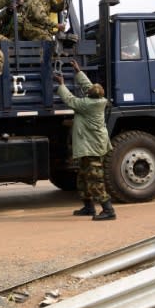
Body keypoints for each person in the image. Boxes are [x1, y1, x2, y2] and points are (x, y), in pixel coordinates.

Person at [54, 60, 116, 221]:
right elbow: (88, 87)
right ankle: (89, 207)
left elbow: (70, 99)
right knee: (82, 177)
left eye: (88, 91)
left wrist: (61, 84)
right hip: (88, 146)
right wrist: (78, 71)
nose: (87, 91)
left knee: (95, 178)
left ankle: (108, 210)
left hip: (92, 148)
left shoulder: (87, 105)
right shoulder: (98, 99)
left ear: (90, 96)